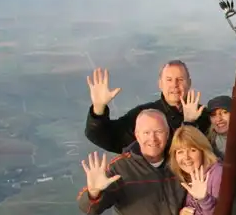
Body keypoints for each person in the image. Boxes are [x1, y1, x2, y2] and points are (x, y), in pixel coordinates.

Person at [78, 109, 188, 215]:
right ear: (137, 135)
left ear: (168, 135)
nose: (153, 138)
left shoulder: (181, 162)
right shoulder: (121, 168)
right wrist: (93, 193)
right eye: (146, 133)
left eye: (159, 132)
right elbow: (90, 209)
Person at [84, 61, 213, 154]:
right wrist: (99, 108)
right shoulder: (144, 116)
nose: (174, 85)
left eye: (180, 79)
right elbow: (102, 136)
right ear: (160, 84)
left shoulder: (204, 116)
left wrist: (192, 123)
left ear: (189, 83)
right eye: (169, 80)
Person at [169, 126, 223, 215]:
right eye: (180, 152)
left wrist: (204, 200)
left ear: (203, 151)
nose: (186, 157)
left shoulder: (217, 174)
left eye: (192, 150)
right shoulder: (192, 175)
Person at [202, 94, 236, 174]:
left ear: (235, 114)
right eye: (213, 115)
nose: (219, 119)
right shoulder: (208, 144)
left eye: (224, 112)